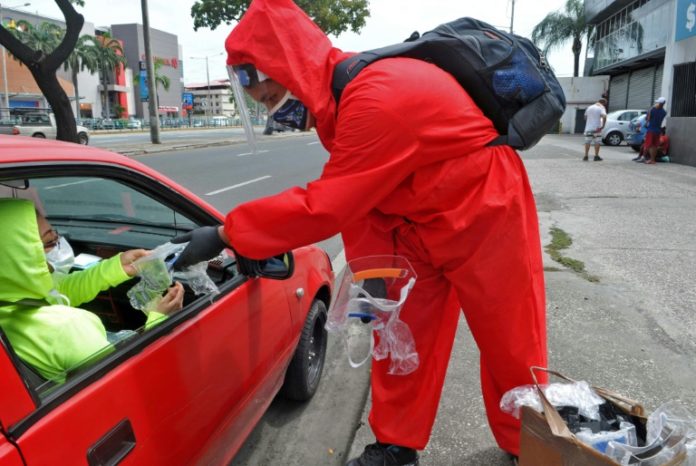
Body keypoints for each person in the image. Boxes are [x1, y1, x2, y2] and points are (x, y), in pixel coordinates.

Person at [174, 1, 548, 464]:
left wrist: (228, 234)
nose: (278, 114)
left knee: (511, 340)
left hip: (486, 211)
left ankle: (528, 445)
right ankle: (396, 445)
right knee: (399, 333)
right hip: (418, 224)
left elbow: (328, 205)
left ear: (290, 67)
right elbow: (367, 200)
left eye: (272, 100)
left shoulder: (375, 96)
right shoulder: (342, 103)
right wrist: (374, 274)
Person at [0, 198, 184, 382]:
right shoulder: (67, 328)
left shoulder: (10, 298)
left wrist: (117, 267)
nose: (58, 244)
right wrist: (160, 321)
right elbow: (129, 382)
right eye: (50, 241)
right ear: (21, 258)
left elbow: (59, 290)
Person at [644, 97, 668, 165]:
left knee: (649, 145)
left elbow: (647, 118)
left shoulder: (652, 110)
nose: (656, 103)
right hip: (658, 130)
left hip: (651, 129)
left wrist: (652, 108)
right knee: (655, 145)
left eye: (658, 102)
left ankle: (651, 160)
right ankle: (653, 160)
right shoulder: (664, 112)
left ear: (660, 103)